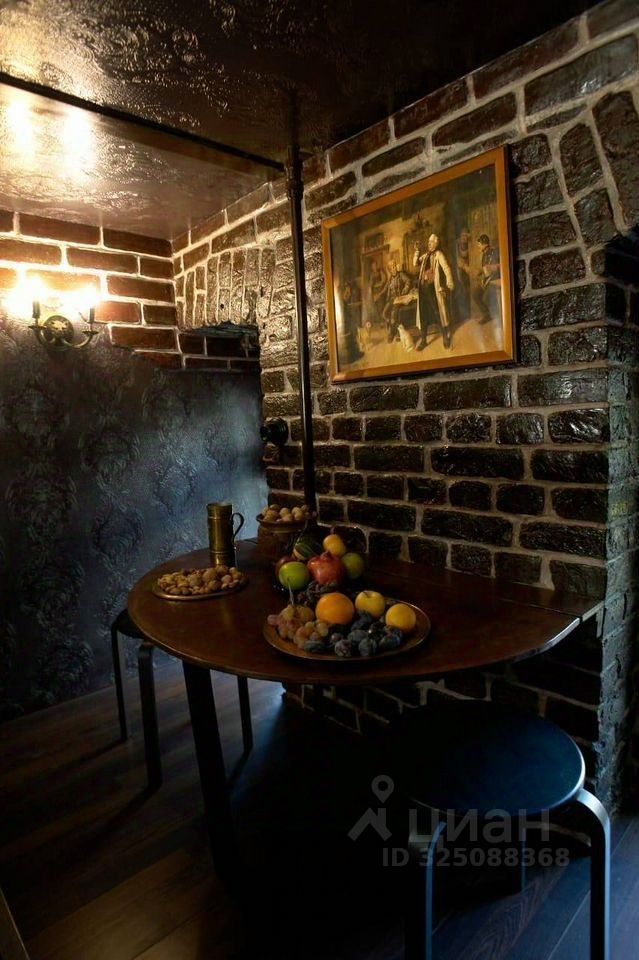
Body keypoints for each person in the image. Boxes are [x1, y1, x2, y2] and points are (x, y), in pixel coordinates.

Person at [413, 233, 455, 349]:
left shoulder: (439, 254)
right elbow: (415, 263)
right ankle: (423, 340)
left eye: (431, 242)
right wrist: (417, 251)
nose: (429, 244)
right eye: (428, 242)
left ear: (436, 243)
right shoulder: (425, 255)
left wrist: (449, 281)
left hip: (432, 289)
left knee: (438, 313)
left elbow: (446, 268)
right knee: (423, 314)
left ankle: (445, 336)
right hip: (423, 289)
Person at [382, 259, 412, 343]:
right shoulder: (390, 279)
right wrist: (379, 295)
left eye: (394, 266)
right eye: (392, 267)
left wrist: (405, 290)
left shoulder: (400, 275)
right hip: (391, 299)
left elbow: (408, 281)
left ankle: (392, 333)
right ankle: (396, 327)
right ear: (389, 270)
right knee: (384, 314)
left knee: (393, 314)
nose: (394, 268)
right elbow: (385, 288)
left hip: (399, 298)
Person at [474, 234, 501, 324]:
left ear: (485, 244)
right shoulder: (484, 255)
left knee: (486, 297)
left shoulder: (495, 251)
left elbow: (502, 264)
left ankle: (497, 316)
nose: (478, 246)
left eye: (479, 244)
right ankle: (486, 315)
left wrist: (494, 267)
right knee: (476, 294)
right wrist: (481, 273)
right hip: (487, 280)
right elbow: (485, 270)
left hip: (495, 280)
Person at [455, 227, 471, 317]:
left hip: (469, 269)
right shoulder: (457, 244)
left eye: (466, 236)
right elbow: (458, 259)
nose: (464, 238)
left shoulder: (469, 243)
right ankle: (464, 314)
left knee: (468, 290)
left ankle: (469, 312)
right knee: (462, 290)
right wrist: (465, 267)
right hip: (461, 270)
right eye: (463, 236)